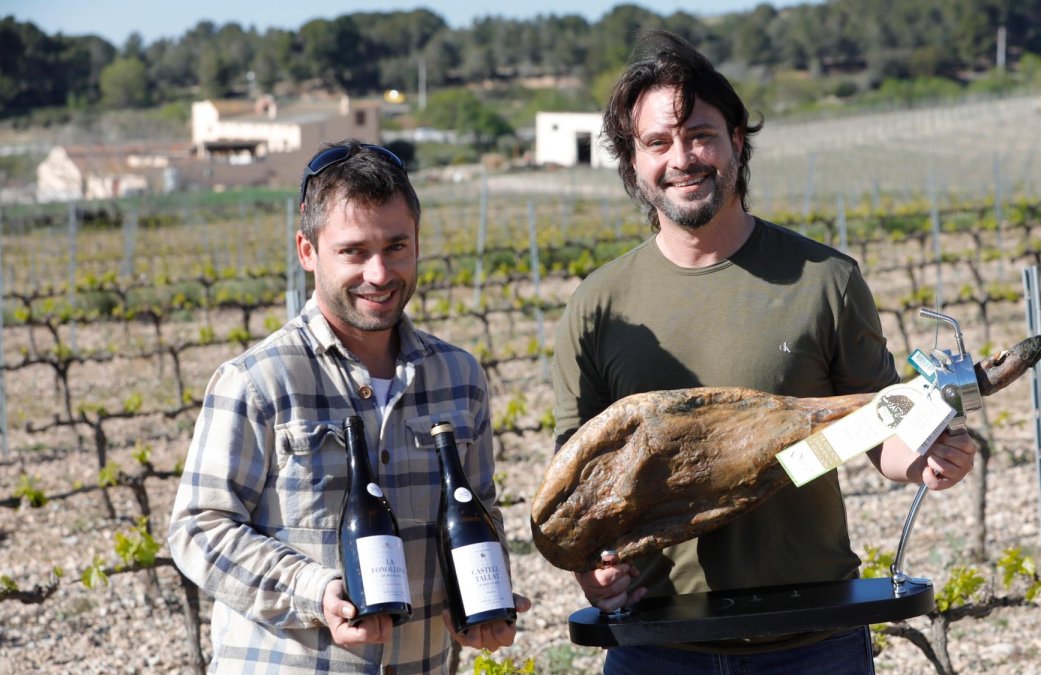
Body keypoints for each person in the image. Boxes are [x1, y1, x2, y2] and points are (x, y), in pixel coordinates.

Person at [551, 31, 977, 674]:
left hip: (812, 639)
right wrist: (594, 571)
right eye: (658, 142)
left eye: (701, 135)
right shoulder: (600, 305)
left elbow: (876, 427)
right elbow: (577, 480)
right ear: (633, 162)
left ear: (737, 141)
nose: (683, 158)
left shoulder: (823, 280)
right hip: (657, 646)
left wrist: (924, 459)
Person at [169, 139, 530, 674]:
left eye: (396, 247)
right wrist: (315, 592)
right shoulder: (258, 381)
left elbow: (479, 513)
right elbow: (199, 527)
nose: (380, 274)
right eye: (354, 251)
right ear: (307, 250)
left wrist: (477, 603)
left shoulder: (459, 378)